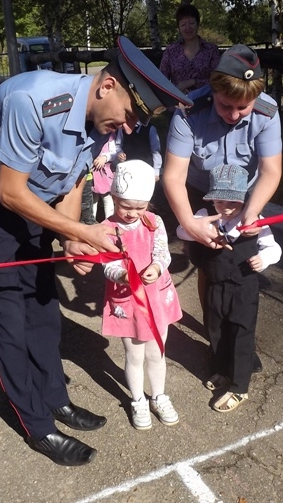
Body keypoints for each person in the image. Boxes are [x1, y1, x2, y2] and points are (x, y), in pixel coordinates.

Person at [0, 36, 192, 466]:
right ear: (107, 87)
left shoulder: (103, 121)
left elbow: (72, 179)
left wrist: (71, 239)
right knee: (7, 315)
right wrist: (82, 229)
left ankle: (55, 398)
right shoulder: (34, 101)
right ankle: (37, 425)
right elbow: (9, 191)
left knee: (43, 305)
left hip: (33, 203)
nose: (129, 127)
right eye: (129, 113)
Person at [163, 44, 282, 357]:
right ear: (213, 90)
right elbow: (173, 176)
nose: (233, 115)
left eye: (243, 107)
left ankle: (239, 333)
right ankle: (214, 327)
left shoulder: (267, 112)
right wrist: (190, 222)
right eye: (226, 105)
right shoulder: (188, 111)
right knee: (209, 263)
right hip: (201, 191)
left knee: (243, 266)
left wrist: (252, 213)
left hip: (247, 196)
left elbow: (271, 170)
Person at [176, 164, 281, 412]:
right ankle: (222, 369)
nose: (226, 207)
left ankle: (239, 386)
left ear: (244, 199)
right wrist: (198, 227)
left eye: (233, 201)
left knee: (240, 335)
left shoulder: (254, 221)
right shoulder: (204, 215)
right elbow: (182, 230)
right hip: (215, 284)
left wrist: (263, 260)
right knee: (215, 329)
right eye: (220, 200)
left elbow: (274, 248)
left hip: (243, 288)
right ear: (211, 198)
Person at [100, 160, 182, 430]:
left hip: (156, 295)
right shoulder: (106, 228)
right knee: (134, 355)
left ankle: (159, 395)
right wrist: (123, 275)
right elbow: (106, 263)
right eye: (126, 207)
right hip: (129, 299)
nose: (133, 213)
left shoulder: (153, 221)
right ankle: (138, 400)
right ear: (114, 198)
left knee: (157, 351)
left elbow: (162, 251)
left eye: (140, 207)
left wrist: (157, 267)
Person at [159, 3, 221, 94]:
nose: (188, 28)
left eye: (191, 23)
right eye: (183, 24)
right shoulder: (170, 51)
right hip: (177, 104)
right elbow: (161, 79)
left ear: (198, 24)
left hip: (206, 103)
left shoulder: (211, 50)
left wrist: (192, 82)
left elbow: (219, 80)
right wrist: (176, 89)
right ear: (179, 28)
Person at [90, 132, 117, 222]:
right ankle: (91, 221)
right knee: (92, 199)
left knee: (107, 198)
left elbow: (113, 152)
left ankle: (110, 221)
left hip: (104, 172)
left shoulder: (110, 136)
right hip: (92, 170)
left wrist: (105, 157)